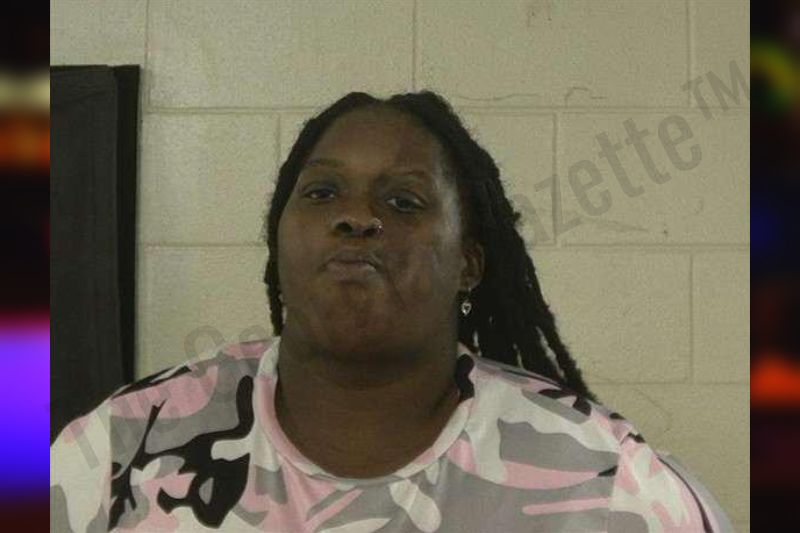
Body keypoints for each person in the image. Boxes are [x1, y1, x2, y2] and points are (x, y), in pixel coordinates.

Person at [51, 91, 733, 532]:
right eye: (321, 194)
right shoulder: (122, 450)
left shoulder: (605, 479)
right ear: (278, 239)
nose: (356, 217)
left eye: (404, 201)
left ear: (469, 262)